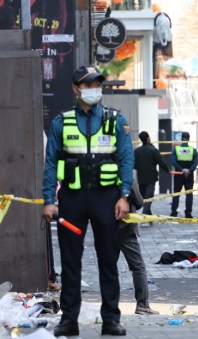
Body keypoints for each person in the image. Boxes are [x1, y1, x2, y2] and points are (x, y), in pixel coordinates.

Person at [42, 65, 132, 337]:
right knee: (71, 261)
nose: (94, 89)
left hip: (107, 198)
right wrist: (49, 200)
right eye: (88, 84)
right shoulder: (61, 121)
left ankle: (111, 320)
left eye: (97, 84)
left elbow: (126, 158)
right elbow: (50, 164)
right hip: (71, 198)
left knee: (108, 259)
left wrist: (124, 196)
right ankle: (69, 319)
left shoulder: (115, 120)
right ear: (76, 88)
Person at [118, 171, 159, 315]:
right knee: (138, 267)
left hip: (106, 228)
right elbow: (140, 201)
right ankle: (142, 305)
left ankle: (109, 306)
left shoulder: (98, 172)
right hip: (125, 229)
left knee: (108, 268)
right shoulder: (126, 175)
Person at [134, 131, 170, 220]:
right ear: (148, 138)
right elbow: (161, 162)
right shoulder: (153, 150)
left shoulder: (137, 151)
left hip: (141, 178)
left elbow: (133, 164)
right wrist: (167, 170)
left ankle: (149, 217)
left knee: (144, 198)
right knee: (149, 198)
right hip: (151, 178)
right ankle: (144, 217)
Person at [170, 131, 198, 218]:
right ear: (189, 139)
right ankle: (188, 213)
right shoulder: (193, 150)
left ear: (181, 139)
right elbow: (196, 162)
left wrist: (181, 170)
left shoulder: (176, 149)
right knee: (189, 195)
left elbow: (173, 162)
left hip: (179, 174)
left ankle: (174, 213)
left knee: (176, 194)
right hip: (189, 175)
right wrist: (189, 170)